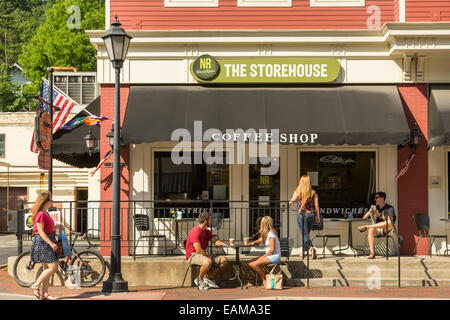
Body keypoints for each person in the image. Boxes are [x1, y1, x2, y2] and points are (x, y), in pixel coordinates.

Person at [29, 191, 63, 300]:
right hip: (43, 242)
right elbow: (40, 231)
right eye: (51, 200)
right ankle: (35, 285)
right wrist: (51, 243)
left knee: (46, 268)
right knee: (53, 267)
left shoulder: (46, 213)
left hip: (47, 240)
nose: (52, 201)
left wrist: (57, 226)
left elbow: (48, 228)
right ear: (45, 201)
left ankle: (44, 294)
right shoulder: (40, 214)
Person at [185, 212, 229, 290]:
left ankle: (209, 278)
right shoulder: (195, 231)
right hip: (193, 255)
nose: (211, 222)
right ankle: (199, 279)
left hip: (202, 254)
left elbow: (215, 241)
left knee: (224, 260)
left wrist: (223, 244)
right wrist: (208, 256)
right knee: (208, 261)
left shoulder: (206, 231)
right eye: (210, 220)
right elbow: (198, 249)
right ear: (205, 220)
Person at [289, 175, 320, 259]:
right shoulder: (313, 192)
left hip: (302, 215)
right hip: (311, 215)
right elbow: (316, 204)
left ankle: (310, 248)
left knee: (304, 234)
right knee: (306, 234)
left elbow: (291, 202)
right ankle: (304, 251)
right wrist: (318, 216)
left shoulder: (298, 191)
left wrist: (291, 201)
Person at [358, 191, 397, 259]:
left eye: (377, 197)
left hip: (387, 228)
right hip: (377, 229)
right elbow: (363, 218)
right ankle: (372, 253)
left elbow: (390, 219)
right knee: (371, 229)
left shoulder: (389, 208)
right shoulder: (375, 208)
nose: (375, 199)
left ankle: (367, 226)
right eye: (374, 198)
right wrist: (370, 211)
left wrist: (379, 214)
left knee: (389, 222)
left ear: (382, 198)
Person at [248, 216, 281, 288]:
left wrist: (263, 257)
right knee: (250, 263)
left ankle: (265, 281)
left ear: (263, 225)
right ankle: (266, 278)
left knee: (255, 264)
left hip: (275, 256)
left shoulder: (271, 235)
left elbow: (272, 250)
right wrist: (253, 243)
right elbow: (260, 240)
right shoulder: (267, 234)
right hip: (270, 256)